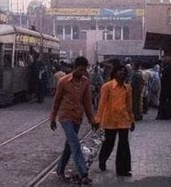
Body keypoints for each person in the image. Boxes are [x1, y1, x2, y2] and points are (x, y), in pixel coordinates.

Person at [50, 56, 97, 185]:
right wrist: (52, 118)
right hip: (65, 117)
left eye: (84, 70)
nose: (82, 73)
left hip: (77, 118)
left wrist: (92, 120)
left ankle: (60, 169)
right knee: (75, 143)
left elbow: (87, 103)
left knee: (69, 145)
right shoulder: (63, 81)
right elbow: (56, 101)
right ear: (74, 68)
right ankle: (84, 173)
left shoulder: (86, 82)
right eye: (80, 70)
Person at [96, 64, 135, 177]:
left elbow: (129, 106)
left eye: (124, 71)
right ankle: (102, 160)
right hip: (110, 120)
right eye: (119, 71)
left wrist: (132, 120)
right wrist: (98, 119)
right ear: (114, 73)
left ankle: (123, 170)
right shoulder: (107, 87)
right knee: (109, 143)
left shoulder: (128, 88)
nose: (122, 73)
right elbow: (102, 104)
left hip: (123, 119)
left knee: (124, 144)